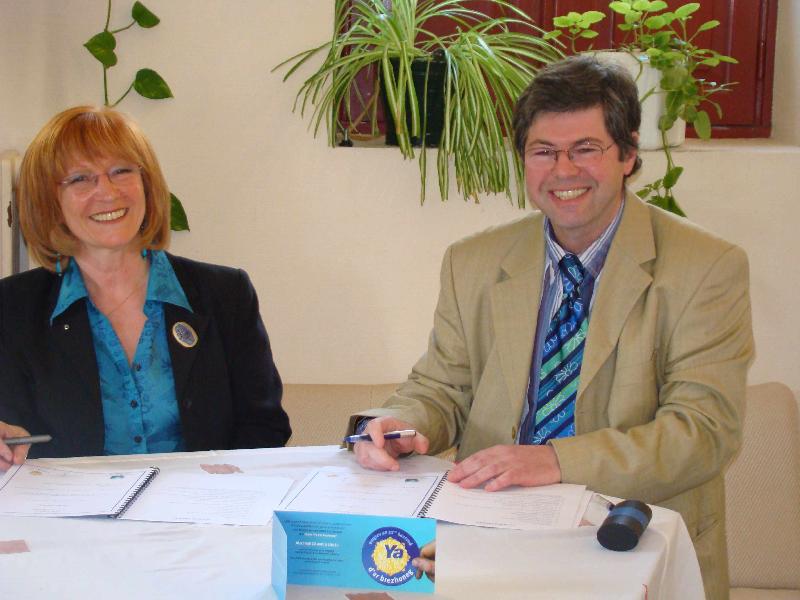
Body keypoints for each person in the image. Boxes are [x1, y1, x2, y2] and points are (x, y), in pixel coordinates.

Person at [349, 55, 753, 600]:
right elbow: (443, 386)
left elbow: (703, 432)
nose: (563, 171)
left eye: (585, 149)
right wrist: (401, 425)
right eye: (543, 151)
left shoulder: (707, 266)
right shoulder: (472, 260)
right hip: (489, 544)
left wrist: (555, 461)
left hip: (632, 545)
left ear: (629, 154)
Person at [0, 105, 291, 469]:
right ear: (49, 201)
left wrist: (224, 489)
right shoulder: (11, 310)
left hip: (207, 516)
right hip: (72, 521)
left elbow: (264, 426)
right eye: (80, 179)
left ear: (146, 184)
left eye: (121, 171)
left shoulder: (225, 294)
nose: (106, 191)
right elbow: (16, 434)